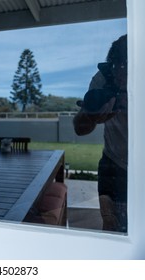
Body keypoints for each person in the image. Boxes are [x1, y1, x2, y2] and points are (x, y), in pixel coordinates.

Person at [73, 35, 128, 232]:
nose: (121, 75)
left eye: (127, 67)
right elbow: (79, 128)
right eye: (117, 67)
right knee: (113, 228)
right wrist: (91, 116)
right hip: (113, 163)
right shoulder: (103, 79)